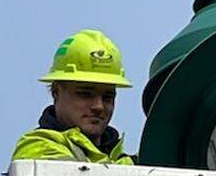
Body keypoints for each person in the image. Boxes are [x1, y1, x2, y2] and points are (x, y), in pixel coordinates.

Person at [12, 29, 134, 164]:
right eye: (85, 94)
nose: (99, 106)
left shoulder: (120, 160)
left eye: (107, 97)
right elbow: (79, 175)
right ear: (56, 92)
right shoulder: (37, 148)